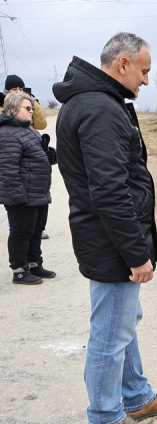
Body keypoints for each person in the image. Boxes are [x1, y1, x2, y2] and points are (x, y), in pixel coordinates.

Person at [53, 32, 157, 424]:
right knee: (111, 330)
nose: (146, 80)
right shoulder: (99, 109)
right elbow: (109, 189)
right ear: (122, 63)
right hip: (109, 240)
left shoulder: (93, 102)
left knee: (123, 322)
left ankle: (136, 396)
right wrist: (136, 253)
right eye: (143, 71)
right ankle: (105, 417)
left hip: (104, 235)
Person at [0, 92, 55, 284]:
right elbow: (7, 169)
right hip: (22, 195)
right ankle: (19, 271)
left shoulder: (28, 129)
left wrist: (49, 155)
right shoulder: (7, 133)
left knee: (36, 230)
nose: (32, 112)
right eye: (28, 108)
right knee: (21, 232)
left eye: (32, 108)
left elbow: (33, 158)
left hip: (37, 192)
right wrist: (17, 196)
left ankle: (34, 264)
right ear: (13, 110)